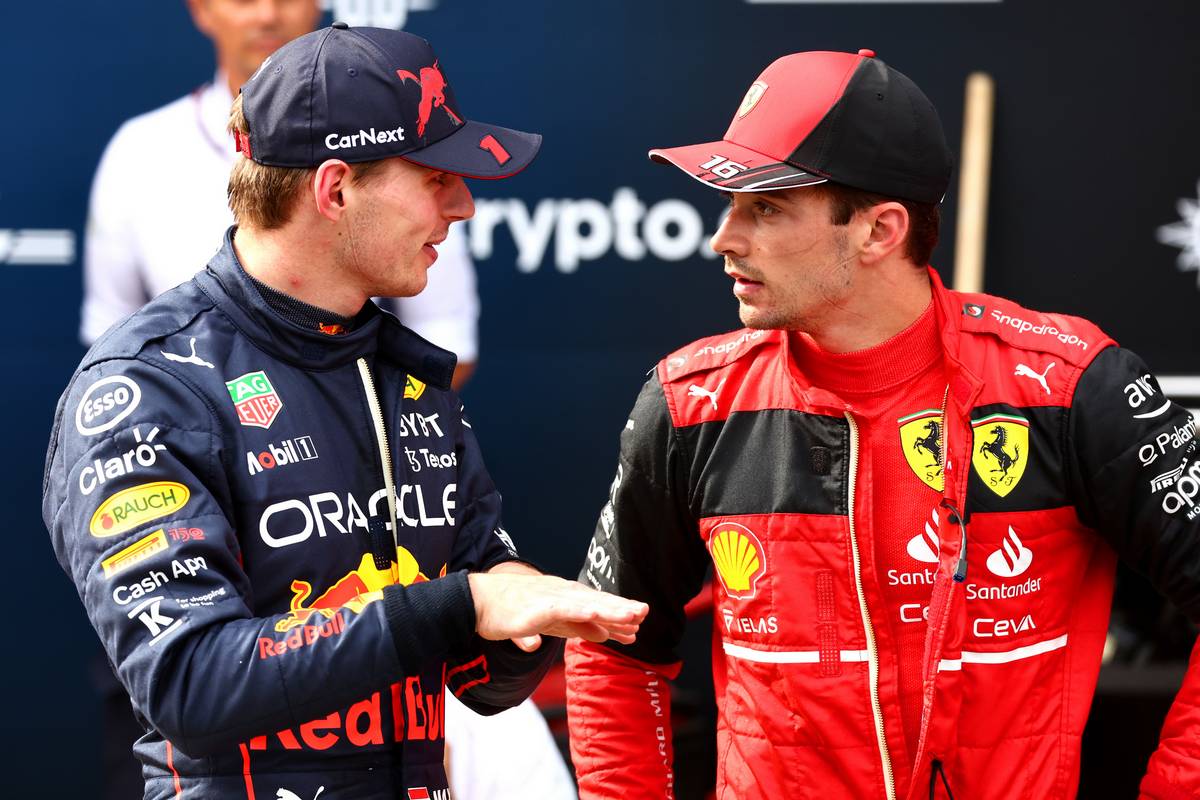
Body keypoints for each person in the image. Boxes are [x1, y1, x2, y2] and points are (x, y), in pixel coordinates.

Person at [564, 48, 1200, 799]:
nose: (723, 239)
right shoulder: (692, 403)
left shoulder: (1066, 387)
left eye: (764, 207)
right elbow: (612, 649)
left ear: (879, 231)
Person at [45, 24, 646, 799]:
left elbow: (480, 682)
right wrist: (464, 603)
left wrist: (524, 615)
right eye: (435, 176)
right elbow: (189, 685)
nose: (462, 205)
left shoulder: (408, 380)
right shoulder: (147, 389)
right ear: (334, 191)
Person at [82, 0, 480, 389]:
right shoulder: (138, 150)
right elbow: (113, 345)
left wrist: (321, 426)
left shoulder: (398, 145)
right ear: (202, 9)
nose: (267, 15)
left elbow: (445, 342)